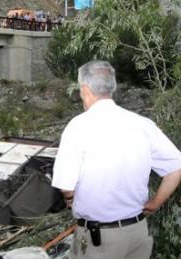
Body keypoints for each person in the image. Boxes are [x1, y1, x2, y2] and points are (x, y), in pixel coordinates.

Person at [52, 60, 181, 259]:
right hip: (137, 233)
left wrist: (70, 199)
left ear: (85, 90)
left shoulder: (78, 127)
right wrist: (155, 203)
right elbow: (176, 167)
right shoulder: (143, 125)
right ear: (111, 87)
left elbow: (65, 186)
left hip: (100, 241)